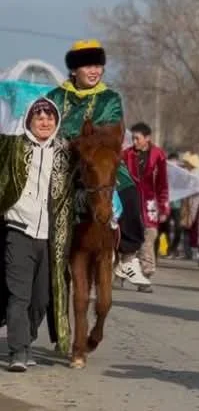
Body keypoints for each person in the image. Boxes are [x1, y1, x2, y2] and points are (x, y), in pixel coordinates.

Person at [46, 39, 150, 288]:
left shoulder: (110, 98)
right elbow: (48, 126)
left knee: (131, 195)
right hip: (63, 161)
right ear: (74, 70)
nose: (94, 71)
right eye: (87, 66)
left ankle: (127, 256)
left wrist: (75, 133)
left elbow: (107, 131)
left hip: (102, 161)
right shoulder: (55, 97)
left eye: (98, 65)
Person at [0, 98, 75, 370]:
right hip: (18, 231)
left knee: (41, 299)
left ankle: (26, 337)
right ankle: (18, 351)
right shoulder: (13, 147)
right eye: (39, 116)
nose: (44, 121)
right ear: (29, 120)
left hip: (50, 238)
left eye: (49, 117)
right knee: (18, 295)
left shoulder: (66, 152)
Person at [122, 122, 169, 293]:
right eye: (133, 138)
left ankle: (145, 275)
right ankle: (122, 272)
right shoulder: (126, 155)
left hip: (150, 204)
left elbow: (163, 183)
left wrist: (164, 207)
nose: (134, 141)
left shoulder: (158, 155)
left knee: (148, 239)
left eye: (137, 138)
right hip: (130, 203)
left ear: (147, 138)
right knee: (128, 238)